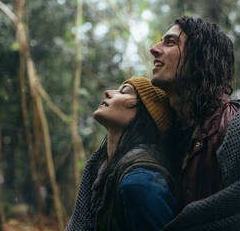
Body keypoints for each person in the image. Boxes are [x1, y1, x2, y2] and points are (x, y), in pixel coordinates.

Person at [150, 16, 240, 230]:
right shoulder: (164, 131)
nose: (154, 49)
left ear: (199, 56)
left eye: (170, 42)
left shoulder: (238, 128)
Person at [65, 77, 178, 231]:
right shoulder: (101, 170)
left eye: (123, 91)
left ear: (144, 110)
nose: (108, 93)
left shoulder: (141, 182)